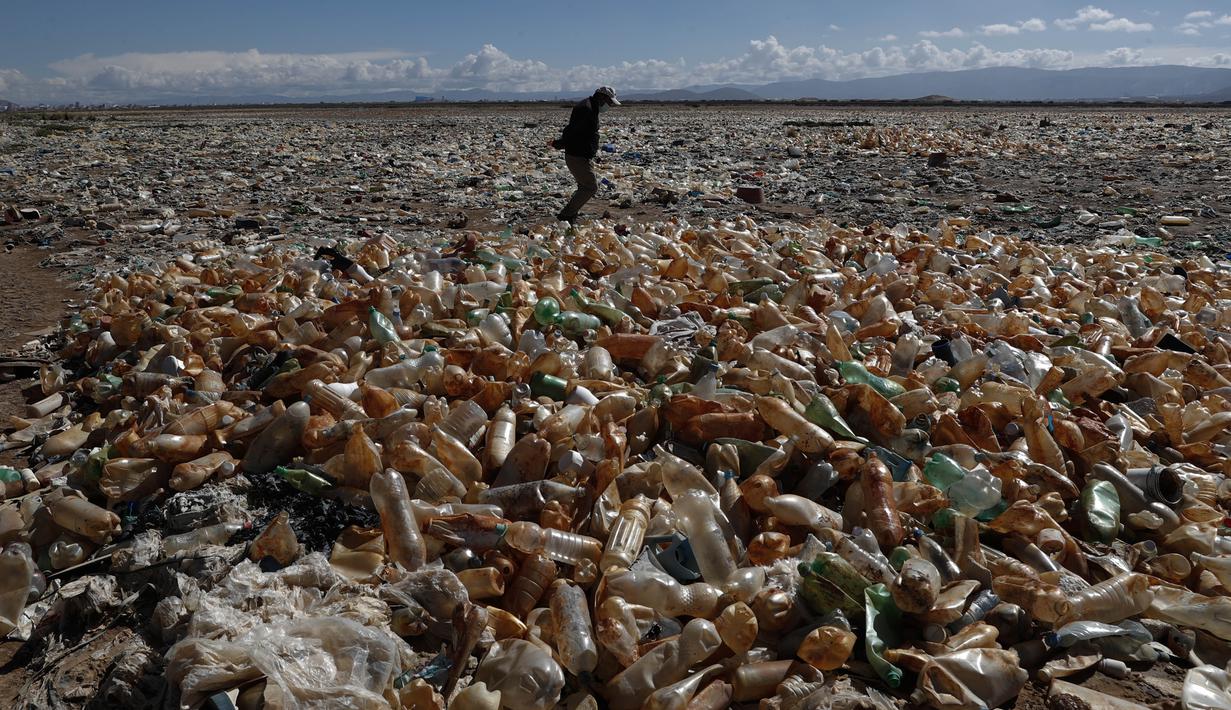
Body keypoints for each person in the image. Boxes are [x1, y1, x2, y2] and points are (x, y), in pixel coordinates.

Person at [549, 86, 620, 224]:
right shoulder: (586, 109)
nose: (609, 106)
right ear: (602, 97)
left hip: (580, 154)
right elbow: (573, 131)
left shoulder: (590, 107)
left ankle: (571, 214)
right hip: (577, 155)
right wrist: (559, 143)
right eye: (609, 102)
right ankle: (566, 215)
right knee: (590, 187)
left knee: (584, 186)